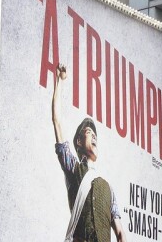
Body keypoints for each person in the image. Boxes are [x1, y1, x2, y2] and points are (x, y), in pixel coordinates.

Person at [52, 63, 127, 242]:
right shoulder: (72, 168)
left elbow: (120, 233)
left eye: (95, 134)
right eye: (88, 132)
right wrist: (59, 82)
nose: (93, 136)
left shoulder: (108, 188)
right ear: (78, 141)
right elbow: (57, 122)